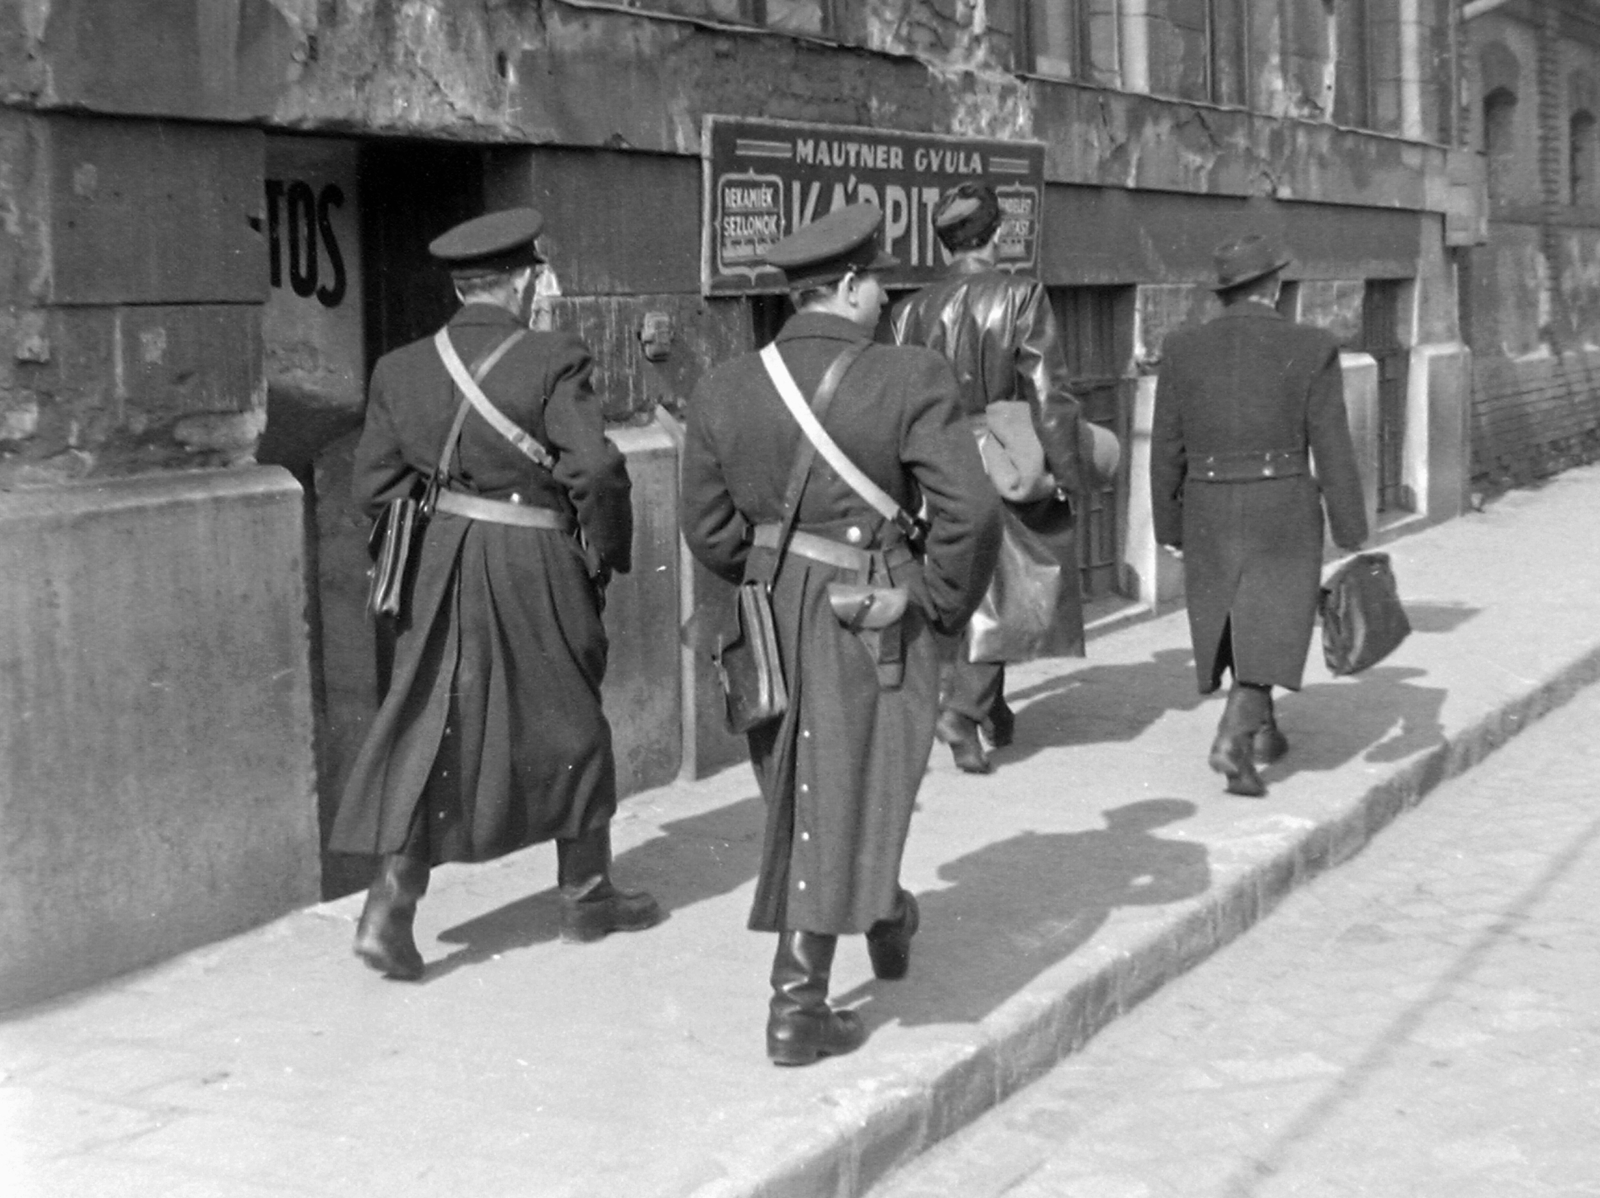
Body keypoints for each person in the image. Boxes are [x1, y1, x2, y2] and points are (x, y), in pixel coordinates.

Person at [680, 202, 1001, 1066]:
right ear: (852, 285)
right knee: (842, 787)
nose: (885, 299)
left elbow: (707, 533)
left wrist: (764, 573)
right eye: (878, 285)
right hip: (872, 610)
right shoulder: (910, 377)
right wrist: (936, 600)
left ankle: (887, 913)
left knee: (813, 786)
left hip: (768, 613)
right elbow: (970, 515)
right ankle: (797, 1008)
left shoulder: (724, 386)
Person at [329, 207, 662, 981]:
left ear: (460, 284)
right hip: (533, 557)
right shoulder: (553, 359)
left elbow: (374, 486)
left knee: (429, 725)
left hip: (440, 560)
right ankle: (586, 896)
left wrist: (438, 533)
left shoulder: (400, 367)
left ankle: (388, 910)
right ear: (523, 280)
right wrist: (605, 551)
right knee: (572, 720)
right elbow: (598, 471)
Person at [1150, 232, 1368, 798]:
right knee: (1275, 615)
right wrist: (1350, 529)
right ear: (1273, 287)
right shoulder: (1312, 345)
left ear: (1224, 293)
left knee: (1237, 619)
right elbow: (1333, 445)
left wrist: (1168, 528)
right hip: (1283, 505)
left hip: (1207, 503)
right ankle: (1232, 735)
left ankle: (1263, 736)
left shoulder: (1181, 348)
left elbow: (1165, 447)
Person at [890, 182, 1092, 775]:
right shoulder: (1021, 295)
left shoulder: (906, 312)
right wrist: (1067, 473)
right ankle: (965, 711)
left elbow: (898, 401)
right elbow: (1049, 394)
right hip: (1006, 453)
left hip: (934, 458)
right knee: (1017, 580)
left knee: (971, 585)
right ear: (998, 235)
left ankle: (992, 711)